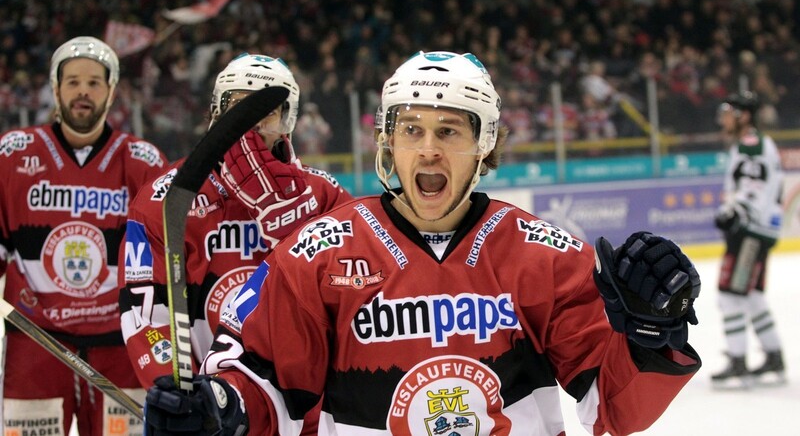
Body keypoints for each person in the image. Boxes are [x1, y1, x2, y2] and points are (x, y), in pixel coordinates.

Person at [142, 51, 702, 436]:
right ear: (387, 142)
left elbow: (614, 409)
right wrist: (220, 407)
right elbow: (263, 383)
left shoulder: (544, 254)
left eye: (450, 130)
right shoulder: (317, 252)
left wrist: (653, 335)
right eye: (411, 130)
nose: (428, 149)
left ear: (484, 145)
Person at [118, 53, 352, 390]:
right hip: (210, 402)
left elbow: (356, 302)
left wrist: (292, 228)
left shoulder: (323, 195)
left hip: (302, 405)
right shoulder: (166, 197)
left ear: (287, 120)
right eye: (239, 107)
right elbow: (145, 313)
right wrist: (176, 389)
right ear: (217, 112)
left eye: (266, 112)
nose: (251, 123)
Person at [0, 36, 167, 435]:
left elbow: (164, 263)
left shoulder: (143, 163)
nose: (82, 92)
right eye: (72, 81)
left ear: (110, 92)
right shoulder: (13, 155)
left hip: (123, 345)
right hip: (34, 342)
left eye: (94, 83)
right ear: (55, 89)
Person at [711, 91, 786, 388]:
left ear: (743, 115)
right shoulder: (756, 143)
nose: (723, 118)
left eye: (728, 112)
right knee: (752, 295)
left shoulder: (751, 144)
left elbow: (754, 185)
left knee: (729, 295)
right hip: (759, 230)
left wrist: (736, 212)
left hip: (750, 233)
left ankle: (738, 362)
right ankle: (774, 356)